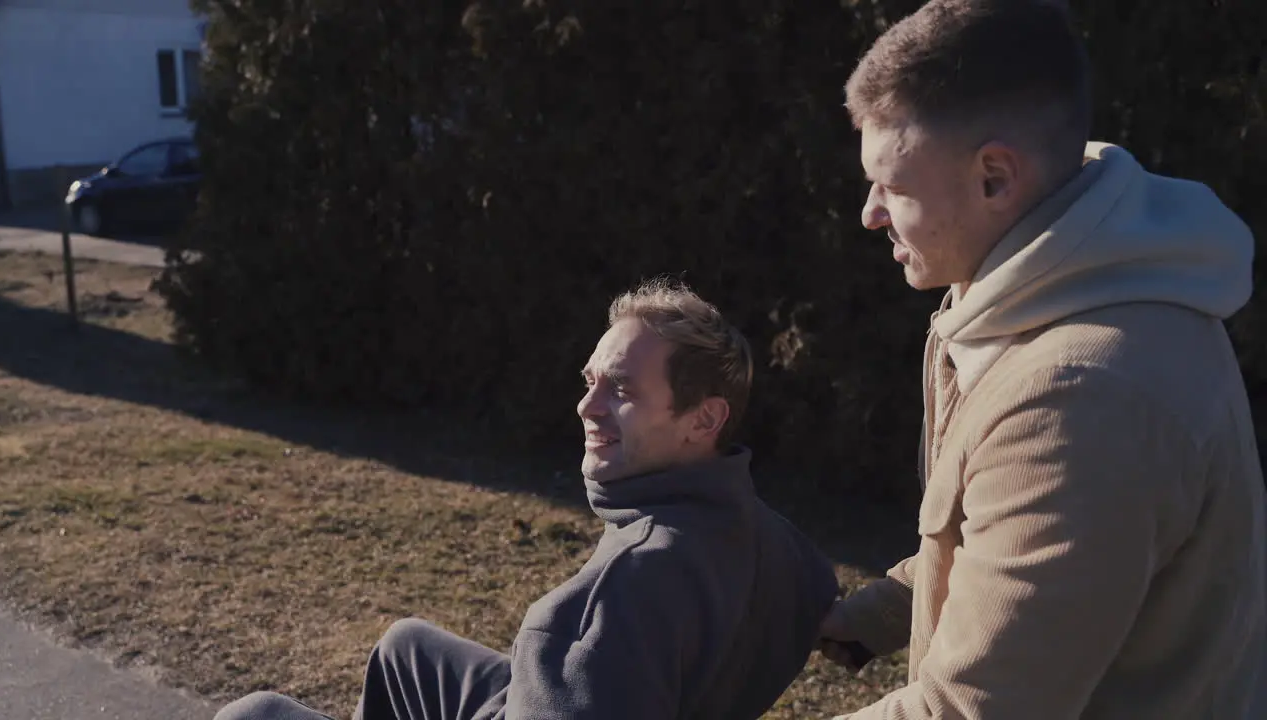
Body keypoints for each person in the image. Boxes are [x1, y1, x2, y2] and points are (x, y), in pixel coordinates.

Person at [815, 1, 1267, 718]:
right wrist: (871, 614)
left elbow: (972, 710)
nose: (870, 213)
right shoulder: (1059, 288)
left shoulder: (1080, 398)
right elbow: (1007, 542)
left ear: (995, 176)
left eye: (893, 186)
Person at [214, 278, 840, 720]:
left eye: (619, 389)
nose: (586, 407)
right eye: (590, 381)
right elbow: (819, 606)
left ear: (704, 420)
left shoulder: (621, 593)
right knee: (407, 649)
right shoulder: (787, 552)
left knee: (255, 713)